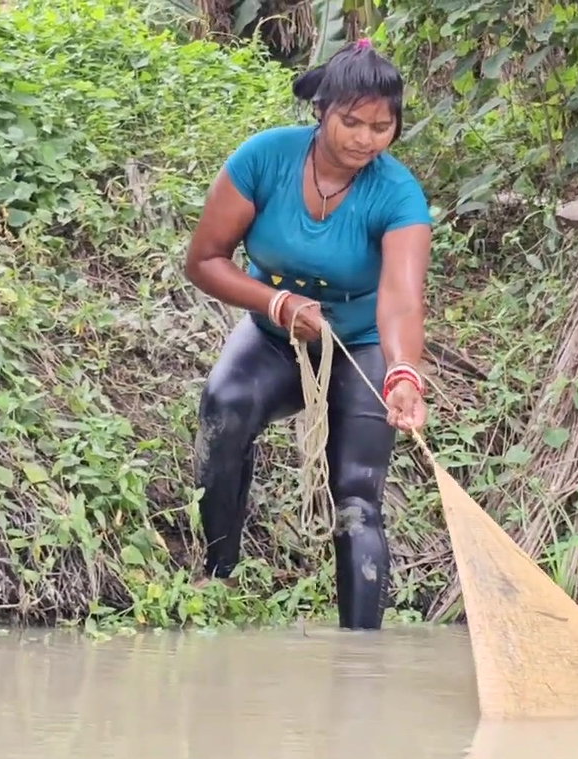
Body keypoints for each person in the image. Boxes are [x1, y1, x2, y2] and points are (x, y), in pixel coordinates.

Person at [183, 38, 434, 630]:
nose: (364, 139)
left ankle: (359, 655)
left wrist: (404, 373)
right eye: (351, 121)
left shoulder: (397, 194)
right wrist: (274, 301)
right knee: (225, 409)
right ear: (321, 110)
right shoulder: (264, 158)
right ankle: (216, 579)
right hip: (274, 336)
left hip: (361, 346)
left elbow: (400, 300)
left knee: (356, 497)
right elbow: (204, 261)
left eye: (381, 126)